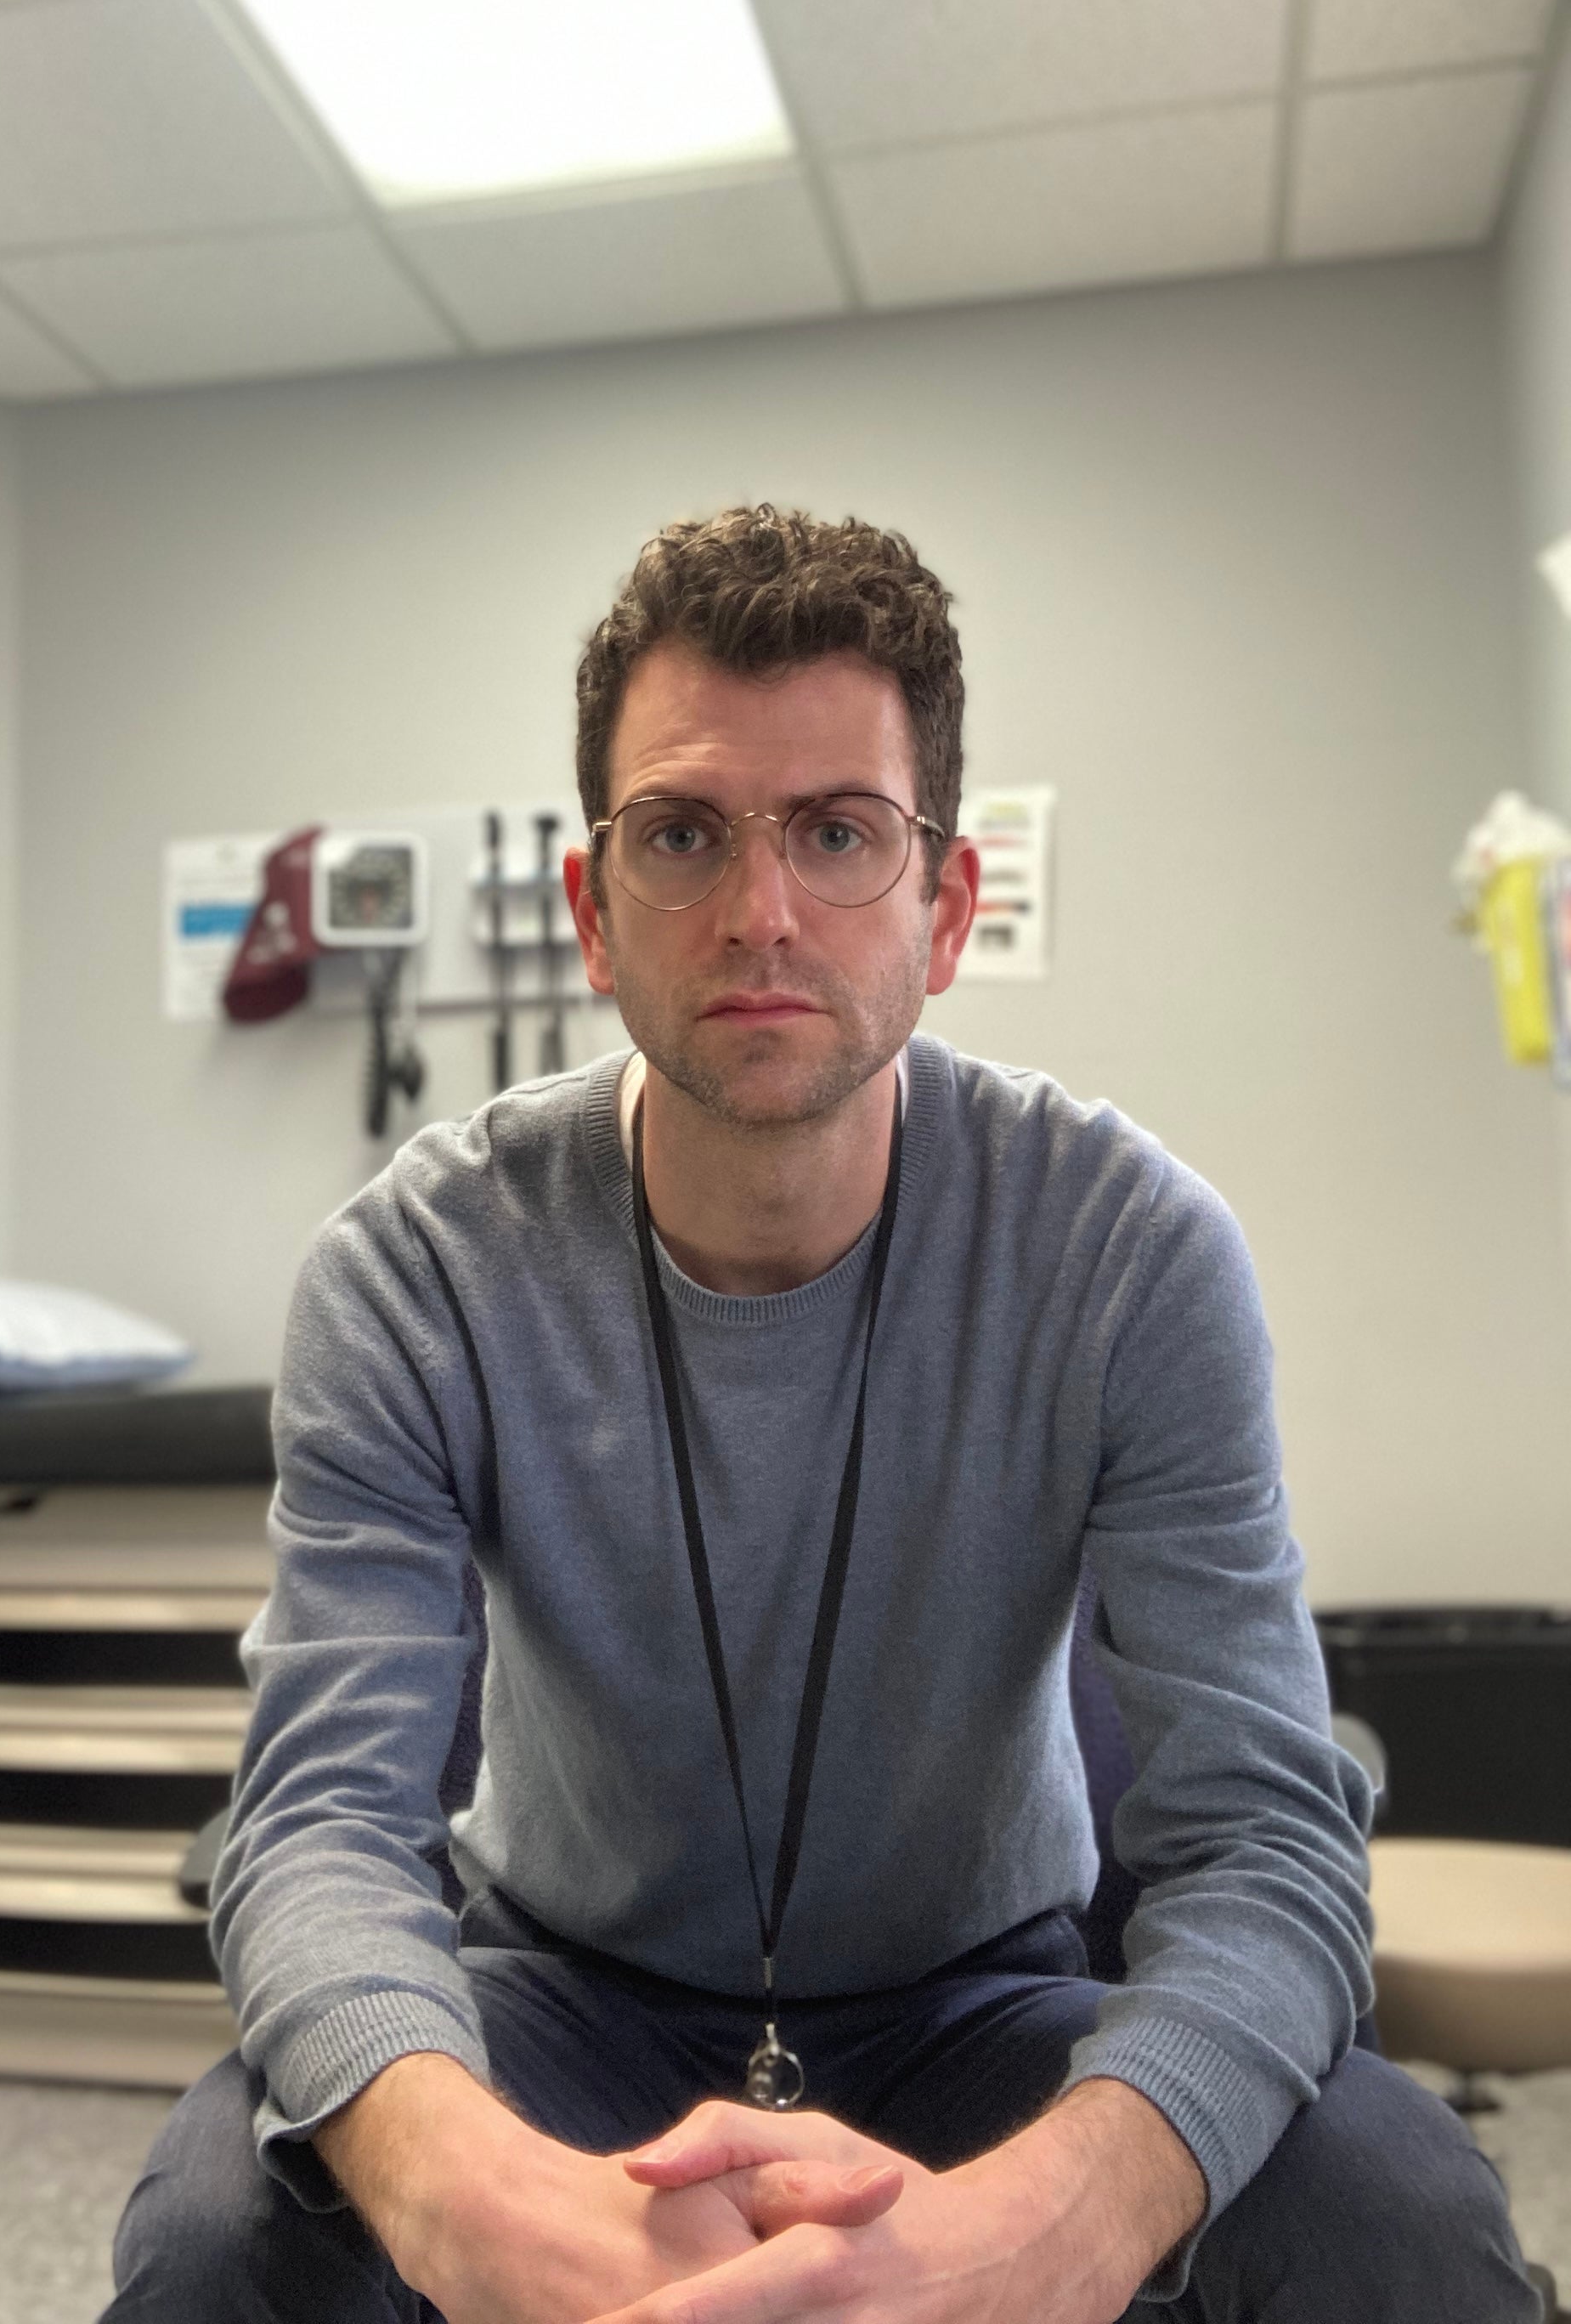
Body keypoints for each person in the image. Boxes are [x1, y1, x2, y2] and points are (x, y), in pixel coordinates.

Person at [106, 506, 1540, 2324]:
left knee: (1395, 2218)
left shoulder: (1125, 1248)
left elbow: (1265, 1834)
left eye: (838, 832)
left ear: (943, 910)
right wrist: (470, 2197)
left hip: (982, 1995)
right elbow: (313, 1817)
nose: (758, 909)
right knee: (219, 2234)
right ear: (591, 905)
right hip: (560, 1989)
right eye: (681, 832)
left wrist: (1060, 2213)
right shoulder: (416, 1267)